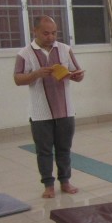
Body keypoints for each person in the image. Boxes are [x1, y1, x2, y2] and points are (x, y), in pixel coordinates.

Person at [14, 15, 85, 198]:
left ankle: (65, 181)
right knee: (44, 151)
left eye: (54, 33)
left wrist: (77, 76)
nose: (51, 37)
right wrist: (36, 74)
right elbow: (18, 79)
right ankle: (48, 184)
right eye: (46, 33)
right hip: (40, 112)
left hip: (65, 109)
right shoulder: (25, 53)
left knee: (64, 148)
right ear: (35, 31)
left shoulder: (65, 49)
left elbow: (77, 72)